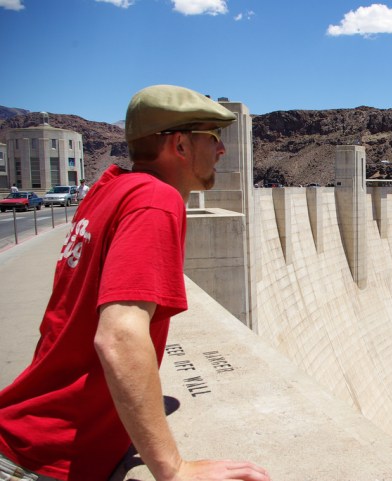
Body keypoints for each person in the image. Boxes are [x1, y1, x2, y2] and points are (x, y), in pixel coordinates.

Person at [0, 85, 271, 481]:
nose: (221, 151)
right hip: (45, 460)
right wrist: (173, 468)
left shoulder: (110, 188)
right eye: (213, 138)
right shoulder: (155, 201)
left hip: (31, 439)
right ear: (179, 144)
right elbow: (119, 337)